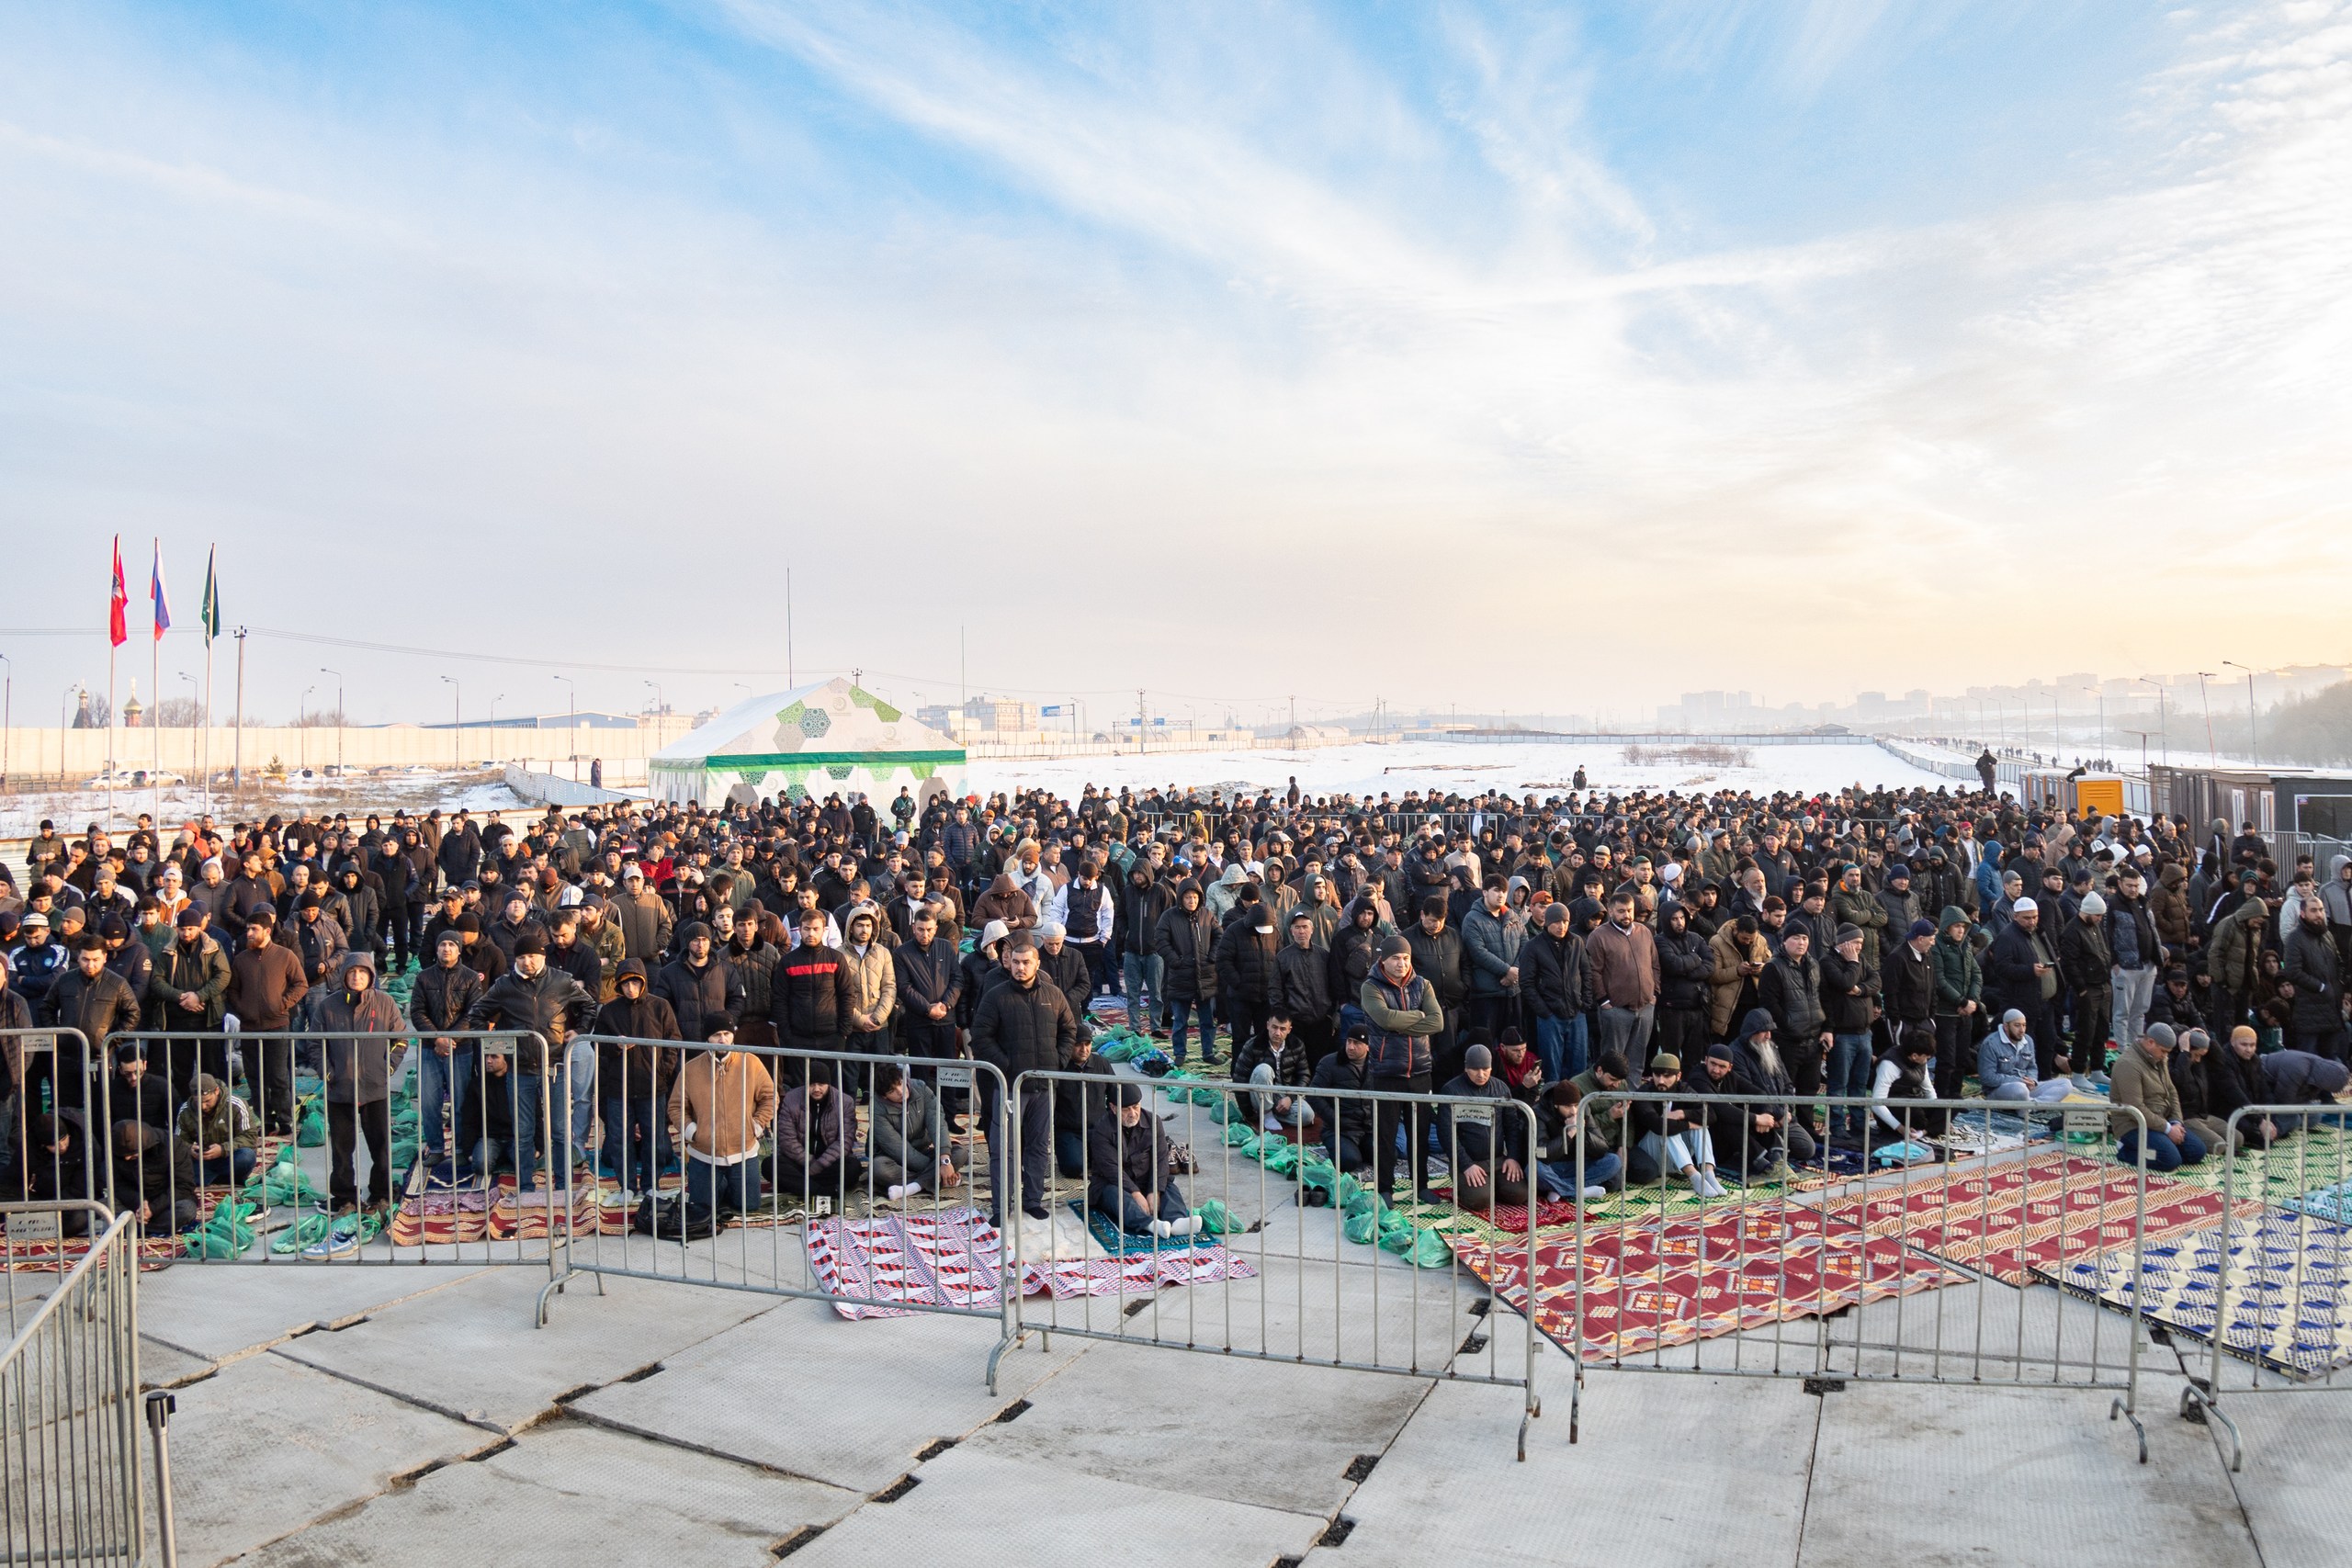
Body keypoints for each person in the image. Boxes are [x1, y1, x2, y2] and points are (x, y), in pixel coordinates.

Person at [967, 935, 1079, 1225]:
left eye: (1026, 962)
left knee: (1039, 1146)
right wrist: (1008, 1067)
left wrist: (1058, 1061)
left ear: (1036, 963)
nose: (1020, 967)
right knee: (1004, 1149)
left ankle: (1032, 1200)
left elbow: (1069, 1030)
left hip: (1043, 1087)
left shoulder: (1053, 995)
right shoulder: (997, 995)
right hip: (1010, 1088)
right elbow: (980, 1038)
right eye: (1015, 962)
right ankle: (1001, 1207)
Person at [312, 952, 409, 1215]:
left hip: (374, 1087)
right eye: (352, 972)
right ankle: (345, 1197)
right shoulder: (328, 1006)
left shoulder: (385, 1002)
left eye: (362, 972)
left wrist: (387, 1066)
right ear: (344, 975)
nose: (357, 977)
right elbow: (314, 1044)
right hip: (339, 1089)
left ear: (371, 976)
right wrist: (327, 1073)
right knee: (342, 1149)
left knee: (380, 1146)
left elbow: (401, 1039)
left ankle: (381, 1193)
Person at [1359, 933, 1442, 1205]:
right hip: (1387, 1071)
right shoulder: (1371, 987)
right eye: (1395, 958)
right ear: (1383, 959)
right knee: (1386, 1133)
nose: (1401, 963)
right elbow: (1382, 1018)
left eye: (1405, 958)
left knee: (1420, 1133)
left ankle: (1421, 1186)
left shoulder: (1423, 985)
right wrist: (1418, 1017)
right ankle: (1386, 1187)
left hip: (1420, 1070)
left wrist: (1399, 1024)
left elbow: (1437, 1022)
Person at [593, 958, 679, 1196]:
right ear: (618, 986)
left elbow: (673, 1042)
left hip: (653, 1086)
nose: (630, 989)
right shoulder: (609, 1011)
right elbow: (597, 1045)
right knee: (620, 1139)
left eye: (635, 983)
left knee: (656, 1139)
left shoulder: (660, 1007)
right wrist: (616, 1047)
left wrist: (663, 1071)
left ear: (643, 982)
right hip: (619, 1087)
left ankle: (652, 1184)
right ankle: (627, 1186)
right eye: (625, 984)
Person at [670, 1025, 776, 1217]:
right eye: (716, 1034)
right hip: (704, 1152)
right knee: (702, 1208)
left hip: (742, 1151)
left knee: (749, 1206)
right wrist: (692, 1131)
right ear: (707, 1038)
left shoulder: (751, 1062)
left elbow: (770, 1097)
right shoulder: (691, 1068)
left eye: (727, 1034)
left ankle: (727, 1184)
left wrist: (757, 1125)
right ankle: (716, 1184)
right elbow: (676, 1107)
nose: (722, 1039)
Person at [411, 930, 487, 1185]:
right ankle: (435, 1148)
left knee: (461, 1101)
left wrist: (451, 1038)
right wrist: (437, 1038)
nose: (446, 949)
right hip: (430, 1048)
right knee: (429, 1101)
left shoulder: (469, 978)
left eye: (451, 945)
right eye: (442, 944)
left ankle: (460, 1148)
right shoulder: (423, 977)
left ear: (458, 949)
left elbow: (474, 1012)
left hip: (461, 1048)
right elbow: (417, 1012)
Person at [224, 910, 309, 1134]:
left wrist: (282, 1004)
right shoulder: (241, 959)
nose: (249, 934)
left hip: (277, 1025)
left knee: (278, 1076)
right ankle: (266, 1120)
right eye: (247, 929)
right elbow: (232, 990)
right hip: (250, 1027)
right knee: (255, 1077)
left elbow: (301, 984)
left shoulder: (285, 955)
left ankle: (285, 1120)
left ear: (267, 931)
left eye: (254, 929)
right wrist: (242, 1009)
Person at [1086, 1081, 1198, 1239]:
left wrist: (1154, 1191)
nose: (1133, 1113)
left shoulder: (1153, 1121)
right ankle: (1150, 1225)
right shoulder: (1101, 1129)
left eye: (1136, 1107)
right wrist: (1136, 1193)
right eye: (1126, 1109)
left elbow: (1160, 1159)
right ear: (1113, 1108)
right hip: (1113, 1183)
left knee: (1168, 1186)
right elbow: (1111, 1168)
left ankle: (1177, 1220)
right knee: (1116, 1195)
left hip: (1145, 1180)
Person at [1438, 1043, 1529, 1209]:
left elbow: (1512, 1127)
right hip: (1468, 1161)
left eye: (1485, 1069)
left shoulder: (1500, 1088)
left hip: (1498, 1160)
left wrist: (1513, 1157)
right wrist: (1466, 1165)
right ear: (1466, 1068)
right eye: (1475, 1070)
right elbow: (1446, 1133)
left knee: (1520, 1194)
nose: (1481, 1075)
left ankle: (1493, 1186)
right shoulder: (1451, 1090)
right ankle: (1472, 1189)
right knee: (1480, 1200)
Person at [2109, 1023, 2206, 1172]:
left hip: (2160, 1119)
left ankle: (2160, 1146)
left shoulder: (2158, 1058)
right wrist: (2167, 1129)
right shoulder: (2128, 1064)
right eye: (2163, 1051)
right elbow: (2135, 1109)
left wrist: (2176, 1122)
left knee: (2196, 1152)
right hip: (2133, 1125)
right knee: (2169, 1160)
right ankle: (2126, 1150)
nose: (2165, 1056)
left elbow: (2171, 1090)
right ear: (2150, 1042)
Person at [1625, 1054, 1723, 1196]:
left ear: (1678, 1076)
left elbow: (1711, 1114)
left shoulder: (1683, 1089)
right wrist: (1689, 1124)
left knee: (1699, 1127)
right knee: (1666, 1128)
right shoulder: (1645, 1092)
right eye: (1657, 1075)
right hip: (1650, 1152)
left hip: (1675, 1156)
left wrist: (1682, 1114)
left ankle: (1709, 1174)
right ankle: (1694, 1177)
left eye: (1666, 1076)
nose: (1661, 1080)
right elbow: (1658, 1125)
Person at [1586, 891, 1658, 1066]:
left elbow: (1655, 963)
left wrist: (1654, 993)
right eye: (1621, 911)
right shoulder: (1598, 936)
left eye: (1630, 910)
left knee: (1637, 1062)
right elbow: (1593, 971)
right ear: (1610, 912)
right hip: (1616, 1010)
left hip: (1645, 1007)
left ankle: (1632, 1093)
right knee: (1613, 1063)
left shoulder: (1645, 932)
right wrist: (1604, 1001)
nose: (1627, 915)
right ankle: (1612, 1093)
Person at [868, 1060, 956, 1201]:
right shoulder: (877, 1108)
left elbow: (937, 1122)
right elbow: (897, 1148)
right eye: (892, 1091)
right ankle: (936, 1178)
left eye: (900, 1084)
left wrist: (944, 1161)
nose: (901, 1092)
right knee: (877, 1169)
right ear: (884, 1096)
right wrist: (937, 1167)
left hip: (922, 1149)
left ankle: (910, 1187)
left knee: (960, 1152)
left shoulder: (920, 1087)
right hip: (892, 1157)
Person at [1154, 882, 1220, 1066]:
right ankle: (1180, 1054)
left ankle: (1208, 1052)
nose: (1192, 901)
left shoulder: (1206, 915)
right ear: (1181, 898)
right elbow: (1160, 940)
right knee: (1180, 1020)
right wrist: (1175, 960)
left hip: (1205, 976)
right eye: (1188, 897)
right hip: (1180, 976)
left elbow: (1219, 935)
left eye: (1195, 897)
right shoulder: (1169, 916)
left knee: (1207, 1020)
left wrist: (1212, 956)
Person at [2280, 893, 2347, 1059]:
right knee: (2308, 1061)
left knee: (2330, 1060)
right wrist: (2321, 987)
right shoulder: (2295, 938)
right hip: (2309, 1013)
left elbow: (2339, 962)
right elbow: (2292, 972)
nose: (2319, 914)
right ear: (2303, 913)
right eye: (2313, 910)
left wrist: (2339, 986)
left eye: (2321, 910)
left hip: (2332, 1011)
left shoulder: (2327, 935)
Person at [1308, 1023, 1377, 1179]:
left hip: (1367, 1128)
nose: (1351, 1047)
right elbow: (1313, 1095)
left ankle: (1359, 1149)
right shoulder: (1329, 1063)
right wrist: (1335, 1119)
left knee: (1388, 1157)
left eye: (1357, 1043)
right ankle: (1344, 1149)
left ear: (1367, 1046)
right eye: (1349, 1041)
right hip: (1339, 1129)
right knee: (1349, 1162)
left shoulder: (1375, 1065)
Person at [1532, 1078, 1618, 1200]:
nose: (1573, 1111)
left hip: (1577, 1164)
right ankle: (1580, 1192)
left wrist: (1581, 1132)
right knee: (1535, 1169)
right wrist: (1570, 1132)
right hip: (1552, 1166)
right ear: (1556, 1105)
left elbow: (1602, 1147)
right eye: (1567, 1106)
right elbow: (1543, 1153)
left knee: (1614, 1161)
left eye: (1576, 1105)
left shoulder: (1583, 1109)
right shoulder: (1539, 1113)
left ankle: (1559, 1189)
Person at [1233, 1010, 1311, 1134]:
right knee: (1263, 1070)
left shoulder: (1296, 1045)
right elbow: (1239, 1078)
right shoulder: (1253, 1045)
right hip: (1259, 1093)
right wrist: (1247, 1112)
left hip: (1284, 1093)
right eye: (1274, 1027)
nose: (1277, 1033)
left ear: (1289, 1030)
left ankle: (1274, 1113)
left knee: (1307, 1117)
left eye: (1282, 1029)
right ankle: (1266, 1113)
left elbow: (1304, 1076)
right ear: (1268, 1025)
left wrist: (1290, 1098)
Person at [176, 1072, 257, 1187]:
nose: (203, 1107)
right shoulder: (185, 1110)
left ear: (217, 1091)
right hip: (203, 1160)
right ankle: (222, 1178)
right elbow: (178, 1141)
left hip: (230, 1156)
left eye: (207, 1101)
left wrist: (223, 1149)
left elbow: (250, 1136)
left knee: (246, 1157)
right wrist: (190, 1149)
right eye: (198, 1102)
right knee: (175, 1164)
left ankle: (206, 1178)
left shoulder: (235, 1104)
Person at [1869, 1031, 1948, 1145]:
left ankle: (1927, 1130)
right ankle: (1933, 1128)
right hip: (1895, 1107)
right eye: (1925, 1057)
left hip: (1914, 1100)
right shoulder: (1889, 1065)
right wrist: (1900, 1128)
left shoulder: (1920, 1061)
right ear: (1915, 1056)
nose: (1926, 1061)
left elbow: (1928, 1090)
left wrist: (1938, 1112)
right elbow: (1877, 1104)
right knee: (1918, 1115)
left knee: (1953, 1102)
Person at [1978, 1009, 2070, 1103]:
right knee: (2019, 1089)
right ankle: (2030, 1107)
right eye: (2017, 1026)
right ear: (2006, 1026)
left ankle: (2034, 1105)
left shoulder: (2028, 1040)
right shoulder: (1991, 1044)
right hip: (2000, 1090)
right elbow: (1988, 1078)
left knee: (2065, 1084)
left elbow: (2032, 1067)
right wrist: (2019, 1080)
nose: (2022, 1030)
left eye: (2024, 1025)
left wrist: (2032, 1081)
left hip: (2026, 1087)